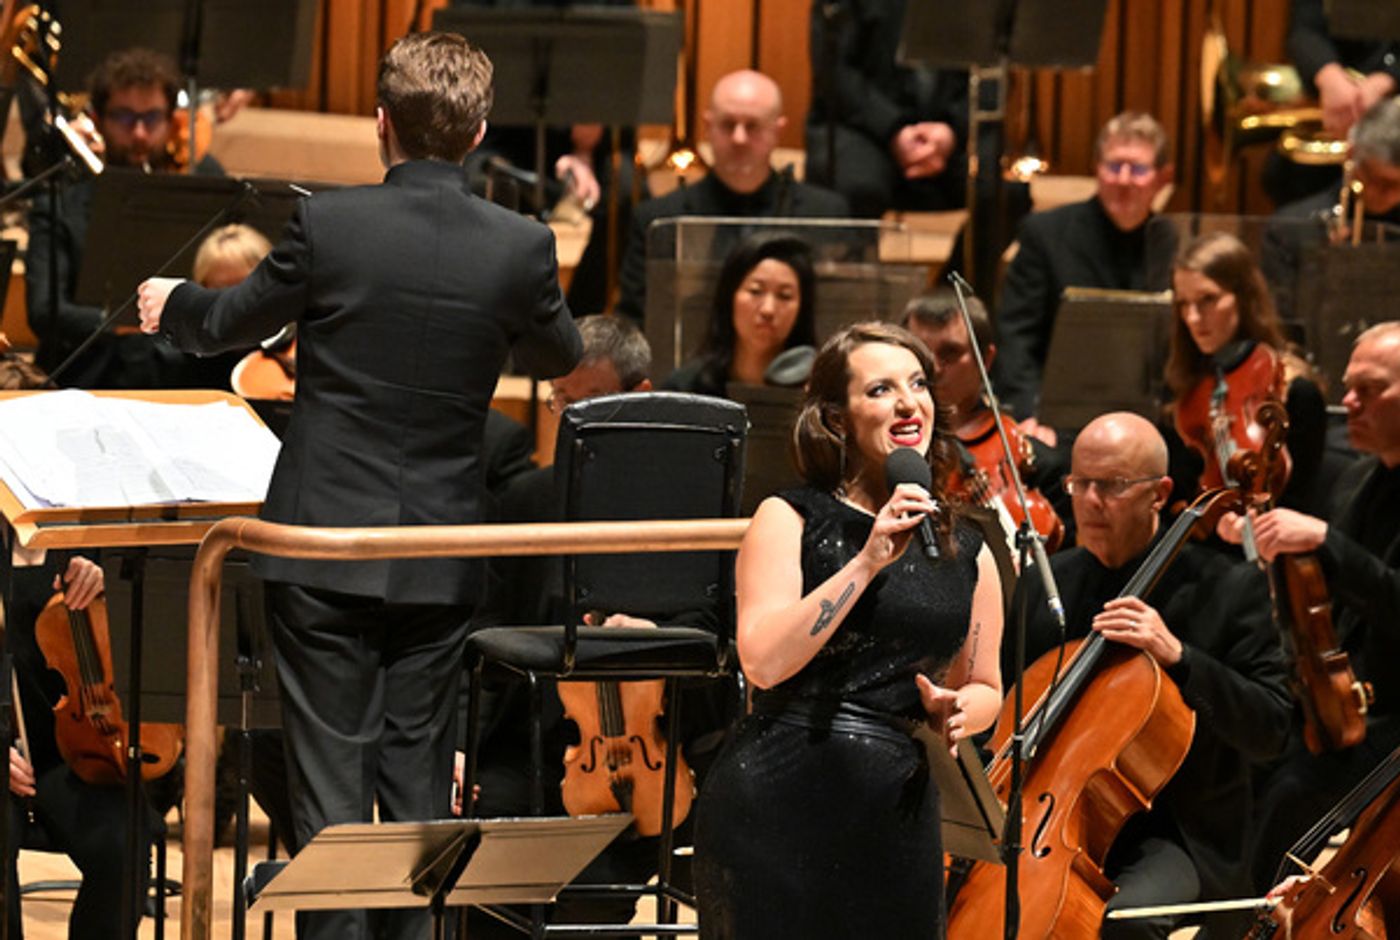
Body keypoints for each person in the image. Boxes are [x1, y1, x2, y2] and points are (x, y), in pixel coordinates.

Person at [135, 31, 582, 939]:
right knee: (418, 796)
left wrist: (168, 303)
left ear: (381, 124)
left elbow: (225, 323)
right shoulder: (521, 245)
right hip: (441, 555)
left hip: (322, 550)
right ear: (480, 130)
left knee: (328, 797)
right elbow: (561, 354)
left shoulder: (331, 223)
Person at [693, 321, 1004, 938]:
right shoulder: (788, 518)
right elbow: (762, 662)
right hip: (778, 799)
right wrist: (865, 563)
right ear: (837, 418)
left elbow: (986, 684)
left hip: (896, 811)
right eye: (881, 390)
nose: (908, 402)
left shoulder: (968, 549)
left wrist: (962, 708)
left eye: (917, 384)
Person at [999, 412, 1292, 939]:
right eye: (1078, 483)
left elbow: (1271, 728)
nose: (1088, 501)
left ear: (1158, 493)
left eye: (1110, 486)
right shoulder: (1047, 585)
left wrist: (1179, 656)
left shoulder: (1228, 589)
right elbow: (1009, 711)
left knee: (1119, 926)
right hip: (1055, 822)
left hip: (1179, 832)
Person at [1229, 321, 1400, 897]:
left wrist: (1324, 539)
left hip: (1393, 714)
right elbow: (1324, 596)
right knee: (1245, 746)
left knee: (1292, 794)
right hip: (1339, 701)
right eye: (1348, 386)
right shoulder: (1357, 479)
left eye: (1370, 389)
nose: (1347, 402)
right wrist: (1259, 542)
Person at [26, 47, 226, 390]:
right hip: (90, 373)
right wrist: (125, 320)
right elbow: (45, 311)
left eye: (151, 118)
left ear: (170, 118)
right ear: (98, 118)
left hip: (182, 372)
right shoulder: (62, 199)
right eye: (124, 117)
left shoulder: (204, 184)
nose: (139, 134)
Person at [6, 555, 164, 940]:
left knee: (126, 838)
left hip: (76, 752)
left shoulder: (82, 536)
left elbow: (152, 636)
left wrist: (111, 587)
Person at [994, 111, 1176, 443]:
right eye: (1113, 165)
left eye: (1137, 169)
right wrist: (1029, 414)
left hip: (1149, 424)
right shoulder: (1045, 234)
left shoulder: (1173, 244)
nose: (1123, 179)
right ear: (1096, 168)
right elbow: (1016, 336)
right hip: (1057, 421)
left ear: (1163, 177)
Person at [615, 69, 848, 323]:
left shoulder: (825, 214)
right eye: (728, 125)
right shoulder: (658, 219)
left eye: (753, 126)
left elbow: (836, 315)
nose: (739, 138)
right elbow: (636, 320)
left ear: (778, 131)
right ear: (707, 127)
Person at [1166, 232, 1331, 517]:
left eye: (1208, 299)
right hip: (1204, 542)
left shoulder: (1295, 391)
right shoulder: (1184, 389)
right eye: (1183, 303)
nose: (1193, 317)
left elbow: (1301, 504)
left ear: (1243, 298)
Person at [902, 289, 1070, 554]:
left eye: (950, 353)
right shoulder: (883, 453)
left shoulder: (1039, 465)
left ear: (986, 360)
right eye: (920, 353)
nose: (932, 368)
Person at [803, 0, 967, 219]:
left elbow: (991, 72)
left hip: (947, 133)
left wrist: (951, 133)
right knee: (859, 186)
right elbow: (834, 71)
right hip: (861, 127)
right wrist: (894, 128)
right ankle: (857, 255)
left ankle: (963, 255)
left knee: (1004, 189)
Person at [1262, 97, 1400, 325]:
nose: (1387, 194)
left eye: (1396, 185)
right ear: (1351, 155)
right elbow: (1283, 326)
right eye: (1378, 180)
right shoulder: (1290, 228)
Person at [1263, 0, 1400, 204]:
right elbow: (1304, 28)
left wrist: (1388, 78)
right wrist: (1329, 76)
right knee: (1283, 181)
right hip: (1320, 166)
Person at [661, 231, 817, 399]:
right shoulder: (685, 388)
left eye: (784, 296)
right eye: (756, 291)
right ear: (729, 296)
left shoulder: (819, 392)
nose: (768, 310)